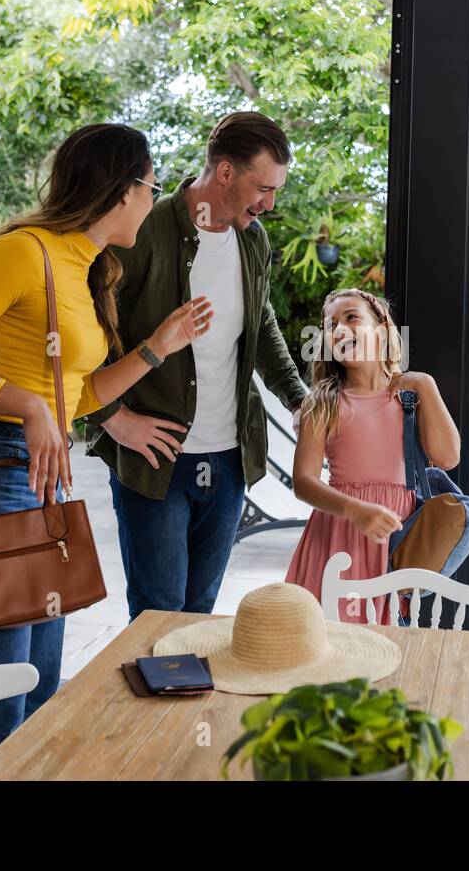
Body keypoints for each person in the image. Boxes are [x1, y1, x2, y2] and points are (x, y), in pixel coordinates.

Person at [0, 123, 212, 780]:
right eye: (151, 186)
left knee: (35, 692)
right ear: (122, 188)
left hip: (46, 483)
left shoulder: (87, 268)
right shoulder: (20, 254)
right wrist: (27, 405)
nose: (155, 200)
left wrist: (157, 347)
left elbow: (79, 394)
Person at [82, 112, 308, 621]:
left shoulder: (253, 239)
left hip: (229, 458)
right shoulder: (141, 230)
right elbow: (88, 330)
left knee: (200, 611)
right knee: (158, 615)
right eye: (263, 188)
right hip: (156, 458)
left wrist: (298, 398)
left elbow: (261, 319)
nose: (270, 204)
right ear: (225, 173)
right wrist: (113, 418)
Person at [284, 288, 461, 625]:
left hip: (396, 536)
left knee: (386, 638)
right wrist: (356, 510)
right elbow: (303, 482)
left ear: (381, 329)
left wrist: (426, 384)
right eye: (330, 325)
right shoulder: (322, 402)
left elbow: (448, 456)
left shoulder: (412, 394)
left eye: (351, 318)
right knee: (333, 638)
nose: (339, 329)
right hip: (340, 533)